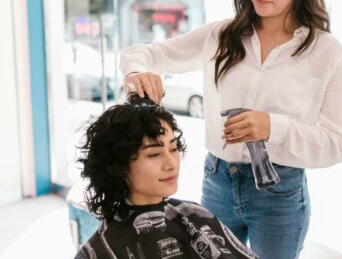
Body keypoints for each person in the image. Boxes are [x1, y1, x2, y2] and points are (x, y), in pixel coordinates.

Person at [120, 0, 342, 258]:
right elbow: (142, 54)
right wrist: (136, 72)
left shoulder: (325, 50)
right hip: (217, 182)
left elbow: (338, 144)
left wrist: (273, 127)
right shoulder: (221, 35)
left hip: (279, 192)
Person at [74, 94, 258, 259]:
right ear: (119, 165)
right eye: (154, 154)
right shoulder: (100, 250)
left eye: (173, 148)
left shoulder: (193, 214)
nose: (171, 164)